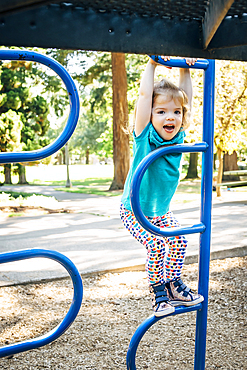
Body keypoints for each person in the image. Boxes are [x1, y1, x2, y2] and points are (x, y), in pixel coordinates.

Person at [120, 56, 204, 317]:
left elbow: (186, 99)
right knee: (156, 243)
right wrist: (151, 65)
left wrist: (185, 70)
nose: (171, 117)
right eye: (161, 111)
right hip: (134, 210)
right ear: (150, 115)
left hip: (161, 212)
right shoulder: (145, 135)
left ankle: (173, 284)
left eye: (176, 112)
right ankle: (158, 294)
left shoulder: (179, 136)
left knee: (178, 238)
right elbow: (145, 95)